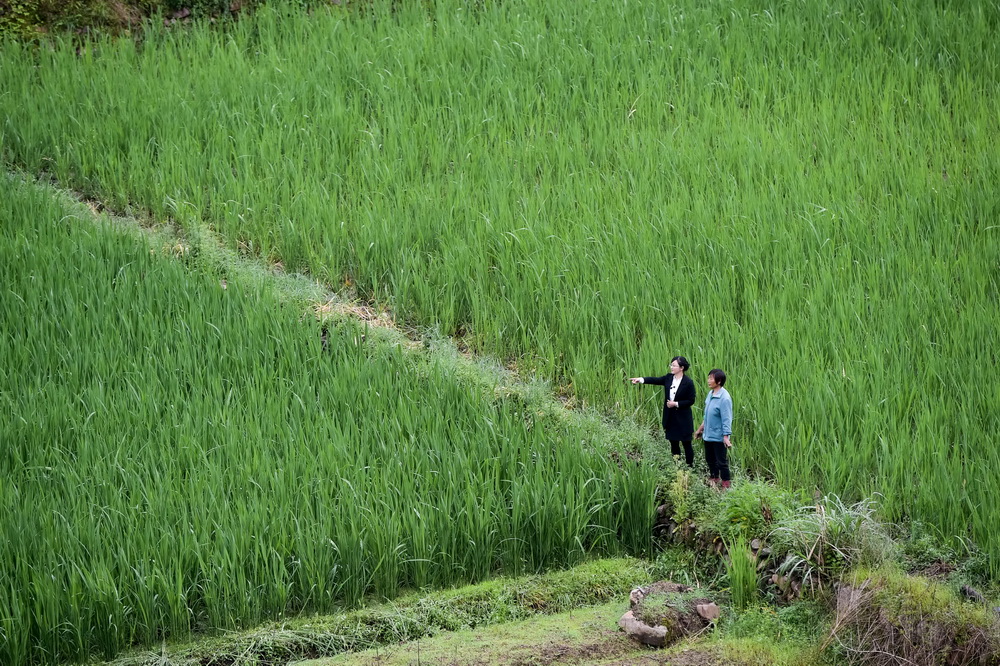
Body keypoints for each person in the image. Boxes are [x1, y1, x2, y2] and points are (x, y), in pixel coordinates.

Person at [629, 356, 697, 467]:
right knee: (673, 442)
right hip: (670, 417)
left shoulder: (688, 382)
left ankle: (690, 466)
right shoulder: (669, 378)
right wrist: (640, 379)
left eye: (674, 365)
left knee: (686, 443)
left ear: (682, 368)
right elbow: (655, 380)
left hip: (683, 418)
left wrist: (676, 404)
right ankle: (677, 466)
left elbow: (691, 400)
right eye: (671, 365)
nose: (671, 367)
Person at [694, 369, 733, 489]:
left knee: (721, 462)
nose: (708, 381)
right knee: (710, 459)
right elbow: (707, 415)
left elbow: (727, 419)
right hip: (708, 434)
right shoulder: (711, 394)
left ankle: (726, 483)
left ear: (719, 381)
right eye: (709, 378)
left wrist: (726, 437)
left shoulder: (724, 398)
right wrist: (700, 429)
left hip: (718, 436)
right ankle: (714, 478)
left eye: (711, 378)